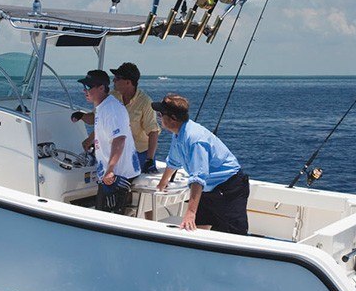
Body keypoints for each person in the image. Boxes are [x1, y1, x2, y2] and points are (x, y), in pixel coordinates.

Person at [152, 94, 249, 235]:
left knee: (233, 235)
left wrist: (191, 212)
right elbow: (173, 161)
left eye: (161, 114)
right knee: (194, 230)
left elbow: (198, 178)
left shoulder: (195, 139)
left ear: (173, 118)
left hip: (228, 189)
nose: (159, 117)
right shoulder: (178, 134)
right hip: (209, 190)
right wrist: (162, 183)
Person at [72, 62, 161, 174]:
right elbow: (99, 120)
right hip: (117, 151)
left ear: (128, 82)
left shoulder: (145, 102)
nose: (113, 81)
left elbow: (153, 132)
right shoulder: (112, 97)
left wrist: (150, 159)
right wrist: (81, 116)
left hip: (138, 153)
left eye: (117, 78)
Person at [77, 70, 141, 213]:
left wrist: (110, 170)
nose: (85, 91)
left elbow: (119, 140)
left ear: (101, 88)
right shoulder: (103, 107)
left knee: (107, 217)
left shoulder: (111, 109)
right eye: (84, 87)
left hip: (117, 175)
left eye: (89, 87)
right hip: (109, 174)